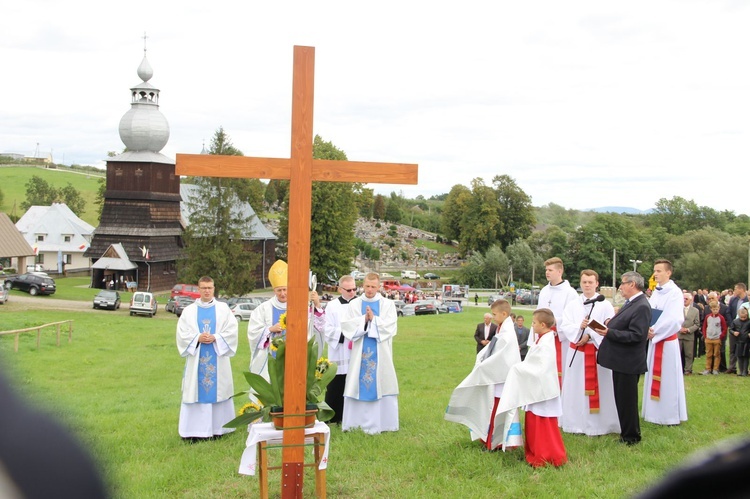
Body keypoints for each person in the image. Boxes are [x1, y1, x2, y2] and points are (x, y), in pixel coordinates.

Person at [445, 299, 522, 450]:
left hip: (501, 379)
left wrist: (483, 366)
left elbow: (502, 358)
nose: (492, 317)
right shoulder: (501, 329)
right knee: (491, 408)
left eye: (494, 314)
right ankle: (489, 438)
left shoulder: (507, 335)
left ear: (504, 314)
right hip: (496, 377)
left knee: (497, 410)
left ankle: (498, 441)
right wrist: (480, 359)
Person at [496, 308, 567, 467]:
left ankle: (547, 455)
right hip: (536, 389)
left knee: (543, 425)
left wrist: (517, 369)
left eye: (534, 323)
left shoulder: (547, 342)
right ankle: (535, 453)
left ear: (543, 324)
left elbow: (541, 367)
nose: (532, 325)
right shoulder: (541, 339)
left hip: (543, 392)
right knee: (534, 424)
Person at [176, 276, 238, 440]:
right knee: (195, 392)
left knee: (219, 392)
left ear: (214, 288)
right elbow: (182, 334)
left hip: (218, 358)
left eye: (209, 288)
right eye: (203, 288)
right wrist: (197, 338)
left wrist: (216, 337)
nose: (207, 291)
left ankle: (219, 429)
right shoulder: (189, 311)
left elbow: (232, 331)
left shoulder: (223, 309)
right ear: (198, 289)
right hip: (197, 358)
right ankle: (193, 432)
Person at [594, 271, 651, 445]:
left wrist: (609, 332)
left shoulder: (641, 305)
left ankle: (631, 436)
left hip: (629, 362)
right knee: (622, 398)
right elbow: (626, 323)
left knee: (627, 401)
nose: (620, 287)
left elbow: (636, 335)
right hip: (621, 360)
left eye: (623, 283)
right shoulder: (631, 303)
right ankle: (627, 432)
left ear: (632, 284)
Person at [561, 269, 619, 436]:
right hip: (577, 353)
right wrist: (579, 329)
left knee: (602, 387)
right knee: (576, 387)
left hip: (596, 352)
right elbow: (566, 326)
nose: (587, 285)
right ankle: (575, 423)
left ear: (597, 284)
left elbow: (609, 327)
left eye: (590, 282)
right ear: (580, 283)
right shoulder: (572, 304)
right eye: (584, 282)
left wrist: (590, 333)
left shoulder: (605, 304)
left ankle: (600, 424)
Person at [340, 272, 399, 434]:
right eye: (367, 286)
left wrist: (374, 319)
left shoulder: (387, 304)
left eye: (373, 287)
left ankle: (385, 424)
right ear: (362, 285)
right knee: (356, 384)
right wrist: (363, 320)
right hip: (359, 353)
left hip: (381, 352)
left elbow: (391, 327)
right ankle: (354, 424)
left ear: (379, 287)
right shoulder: (354, 304)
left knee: (381, 382)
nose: (370, 290)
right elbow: (346, 325)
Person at [643, 259, 687, 426]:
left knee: (667, 379)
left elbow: (675, 318)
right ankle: (652, 413)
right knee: (652, 375)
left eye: (659, 271)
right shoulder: (656, 291)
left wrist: (655, 330)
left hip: (666, 342)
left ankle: (668, 415)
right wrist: (646, 326)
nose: (656, 274)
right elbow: (649, 312)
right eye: (655, 270)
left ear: (668, 273)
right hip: (654, 341)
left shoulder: (675, 293)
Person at [535, 257, 583, 387]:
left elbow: (573, 318)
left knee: (559, 374)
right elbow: (537, 314)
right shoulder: (544, 291)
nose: (547, 273)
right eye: (546, 270)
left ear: (559, 271)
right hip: (543, 337)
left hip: (560, 338)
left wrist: (554, 322)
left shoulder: (570, 293)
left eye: (550, 270)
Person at [323, 275, 358, 424]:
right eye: (348, 290)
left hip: (356, 349)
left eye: (355, 289)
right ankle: (333, 417)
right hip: (340, 349)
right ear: (340, 289)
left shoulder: (360, 303)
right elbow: (327, 329)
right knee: (337, 384)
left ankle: (353, 416)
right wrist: (345, 334)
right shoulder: (332, 306)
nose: (352, 292)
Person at [247, 260, 289, 381]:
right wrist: (270, 329)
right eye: (279, 290)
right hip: (268, 357)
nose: (282, 293)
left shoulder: (297, 309)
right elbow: (253, 332)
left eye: (285, 289)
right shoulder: (263, 309)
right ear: (274, 290)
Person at [726, 283, 748, 374]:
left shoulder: (747, 300)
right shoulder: (733, 300)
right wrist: (732, 324)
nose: (734, 290)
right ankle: (732, 367)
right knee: (732, 348)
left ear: (741, 289)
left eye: (735, 289)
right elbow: (728, 312)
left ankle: (743, 369)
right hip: (734, 326)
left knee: (744, 349)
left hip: (745, 328)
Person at [701, 301, 727, 375]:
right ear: (711, 309)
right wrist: (705, 335)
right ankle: (708, 368)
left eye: (716, 309)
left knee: (716, 354)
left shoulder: (721, 318)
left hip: (717, 339)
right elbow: (704, 326)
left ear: (719, 309)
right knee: (708, 354)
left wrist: (721, 336)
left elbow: (724, 328)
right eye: (713, 309)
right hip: (708, 338)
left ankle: (715, 369)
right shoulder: (707, 317)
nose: (715, 311)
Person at [679, 292, 701, 375]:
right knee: (677, 353)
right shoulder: (677, 309)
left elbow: (697, 324)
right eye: (683, 299)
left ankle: (688, 369)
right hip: (679, 335)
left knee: (689, 354)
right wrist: (679, 328)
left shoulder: (695, 311)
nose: (684, 300)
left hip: (689, 335)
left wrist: (688, 329)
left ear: (691, 300)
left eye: (686, 299)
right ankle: (678, 369)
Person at [729, 307, 750, 376]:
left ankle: (745, 371)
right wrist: (734, 332)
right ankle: (740, 371)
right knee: (739, 356)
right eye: (742, 317)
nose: (743, 318)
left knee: (746, 357)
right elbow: (731, 329)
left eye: (745, 317)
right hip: (738, 342)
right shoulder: (735, 321)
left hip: (747, 342)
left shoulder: (749, 322)